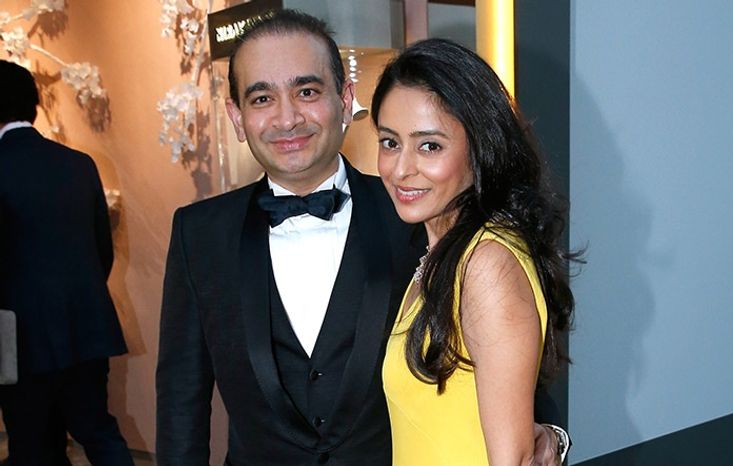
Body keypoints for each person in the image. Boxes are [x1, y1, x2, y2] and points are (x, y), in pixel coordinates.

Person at [156, 9, 568, 465]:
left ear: (345, 99)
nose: (287, 118)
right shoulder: (199, 234)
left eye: (307, 91)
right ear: (237, 116)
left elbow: (505, 353)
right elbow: (181, 406)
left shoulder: (418, 213)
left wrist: (546, 433)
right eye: (262, 98)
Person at [373, 38, 580, 466]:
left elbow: (513, 460)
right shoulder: (438, 255)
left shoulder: (486, 264)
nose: (401, 168)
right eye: (390, 142)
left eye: (430, 146)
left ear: (480, 148)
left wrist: (550, 441)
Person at [0, 60, 133, 466]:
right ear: (34, 105)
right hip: (84, 324)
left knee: (31, 444)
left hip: (17, 336)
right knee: (100, 432)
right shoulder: (79, 163)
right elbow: (101, 250)